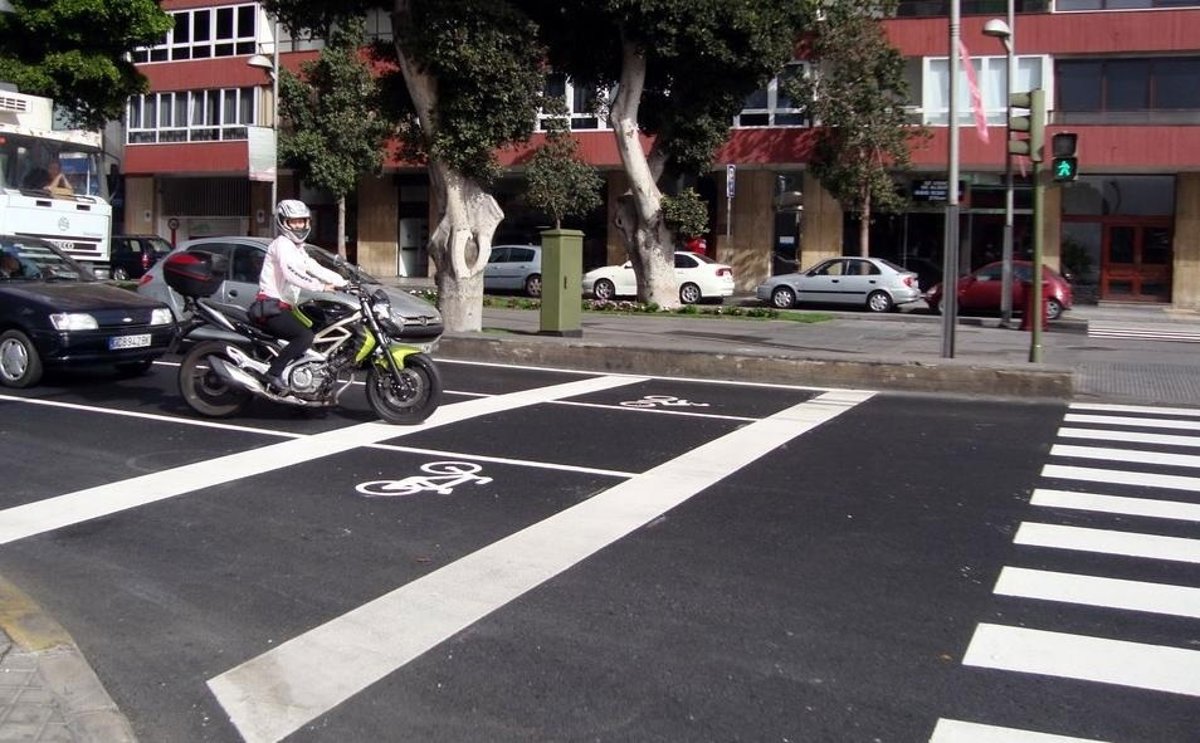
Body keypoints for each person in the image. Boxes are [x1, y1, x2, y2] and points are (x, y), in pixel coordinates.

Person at [250, 199, 347, 393]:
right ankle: (273, 373)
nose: (299, 226)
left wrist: (344, 282)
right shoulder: (282, 245)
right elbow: (292, 273)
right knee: (304, 336)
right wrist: (321, 287)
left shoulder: (297, 248)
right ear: (283, 222)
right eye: (294, 222)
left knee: (318, 324)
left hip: (284, 307)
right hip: (271, 307)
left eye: (302, 221)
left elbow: (314, 267)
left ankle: (302, 372)